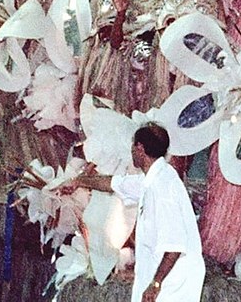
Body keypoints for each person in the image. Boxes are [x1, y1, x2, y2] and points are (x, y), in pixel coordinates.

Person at [66, 123, 204, 302]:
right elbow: (114, 183)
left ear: (140, 148)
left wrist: (156, 284)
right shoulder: (153, 179)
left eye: (132, 145)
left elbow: (174, 247)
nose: (131, 151)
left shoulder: (163, 188)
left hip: (173, 286)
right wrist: (78, 181)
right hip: (162, 281)